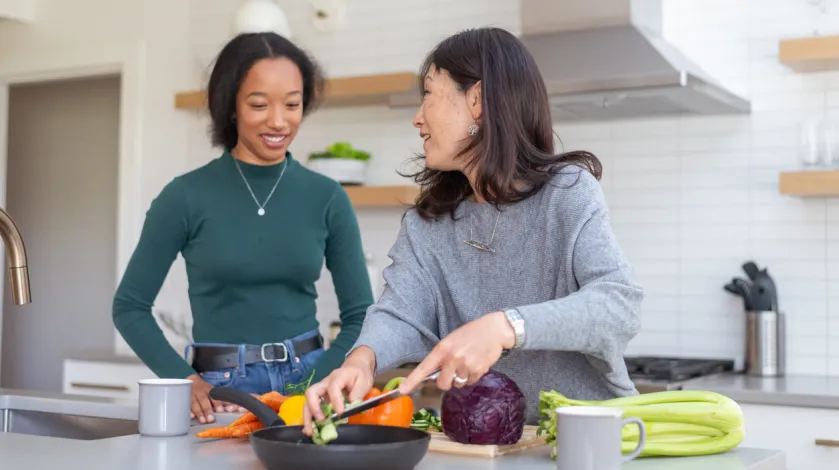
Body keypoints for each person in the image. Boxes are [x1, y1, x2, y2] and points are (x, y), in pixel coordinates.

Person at [302, 27, 643, 432]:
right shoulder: (427, 223)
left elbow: (618, 307)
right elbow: (400, 314)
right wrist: (361, 360)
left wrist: (506, 327)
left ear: (477, 101)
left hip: (590, 441)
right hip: (493, 443)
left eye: (428, 93)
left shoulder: (566, 193)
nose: (418, 117)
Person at [113, 32, 374, 425]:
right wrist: (183, 381)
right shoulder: (184, 196)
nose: (278, 121)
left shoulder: (328, 197)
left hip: (309, 381)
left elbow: (361, 316)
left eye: (292, 104)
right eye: (258, 104)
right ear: (231, 106)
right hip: (220, 389)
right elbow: (129, 307)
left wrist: (319, 383)